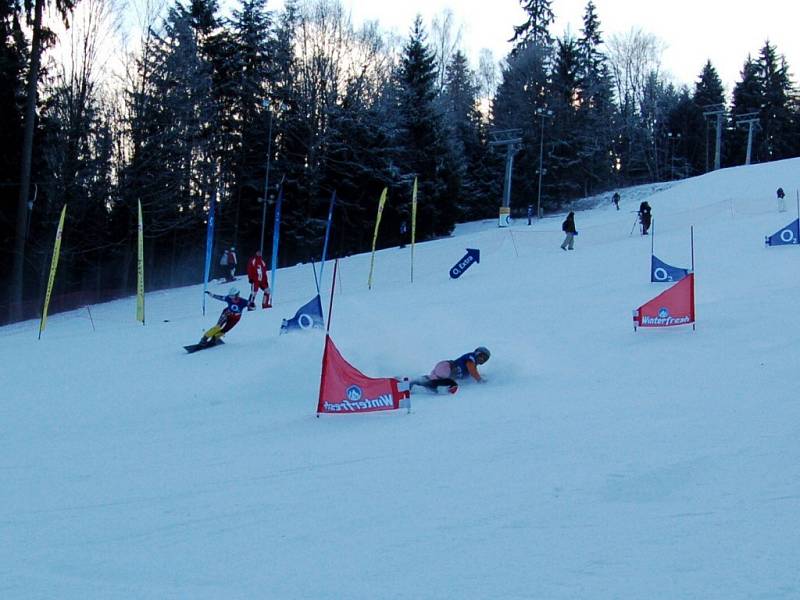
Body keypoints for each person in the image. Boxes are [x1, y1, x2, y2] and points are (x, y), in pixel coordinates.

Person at [411, 346, 491, 394]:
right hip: (447, 366)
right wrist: (479, 380)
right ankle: (422, 385)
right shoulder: (471, 358)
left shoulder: (473, 366)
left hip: (445, 369)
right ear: (477, 353)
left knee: (434, 379)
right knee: (449, 382)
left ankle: (413, 382)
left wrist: (480, 377)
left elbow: (472, 373)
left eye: (485, 359)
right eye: (482, 356)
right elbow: (472, 370)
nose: (482, 359)